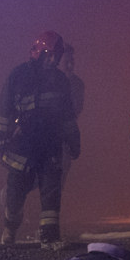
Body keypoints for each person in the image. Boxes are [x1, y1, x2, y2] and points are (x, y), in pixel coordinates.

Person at [0, 31, 79, 248]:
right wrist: (0, 139)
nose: (55, 60)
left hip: (50, 143)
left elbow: (68, 116)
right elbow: (4, 109)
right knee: (15, 193)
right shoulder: (18, 76)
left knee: (51, 191)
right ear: (41, 53)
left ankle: (49, 238)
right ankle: (10, 228)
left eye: (56, 55)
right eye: (52, 54)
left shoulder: (60, 81)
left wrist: (73, 140)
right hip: (22, 144)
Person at [57, 40, 84, 186]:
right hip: (42, 139)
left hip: (63, 142)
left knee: (58, 183)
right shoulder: (43, 82)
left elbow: (75, 110)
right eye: (66, 60)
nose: (70, 64)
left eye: (71, 60)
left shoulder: (77, 84)